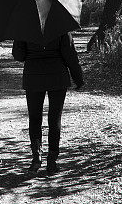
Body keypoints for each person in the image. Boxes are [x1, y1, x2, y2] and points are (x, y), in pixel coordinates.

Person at [12, 33, 84, 175]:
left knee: (34, 118)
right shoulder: (60, 25)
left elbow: (18, 56)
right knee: (54, 118)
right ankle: (52, 160)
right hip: (57, 76)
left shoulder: (25, 25)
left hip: (33, 77)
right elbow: (70, 55)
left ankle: (36, 158)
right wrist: (78, 77)